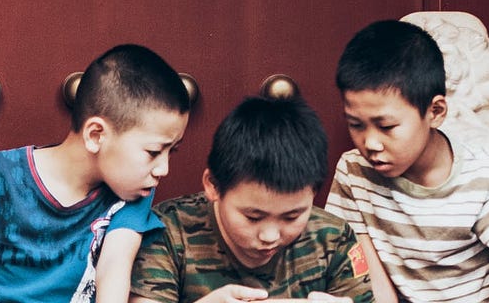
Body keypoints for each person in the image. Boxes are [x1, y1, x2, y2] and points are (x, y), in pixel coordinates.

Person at [0, 44, 192, 303]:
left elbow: (115, 265)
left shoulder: (133, 189)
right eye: (153, 152)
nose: (162, 169)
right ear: (96, 135)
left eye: (172, 152)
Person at [324, 20, 489, 303]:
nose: (370, 143)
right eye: (356, 125)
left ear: (435, 111)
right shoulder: (354, 173)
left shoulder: (486, 175)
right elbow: (374, 284)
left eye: (387, 126)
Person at [130, 97, 374, 303]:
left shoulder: (333, 238)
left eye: (292, 216)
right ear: (213, 185)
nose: (269, 236)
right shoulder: (165, 233)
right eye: (253, 217)